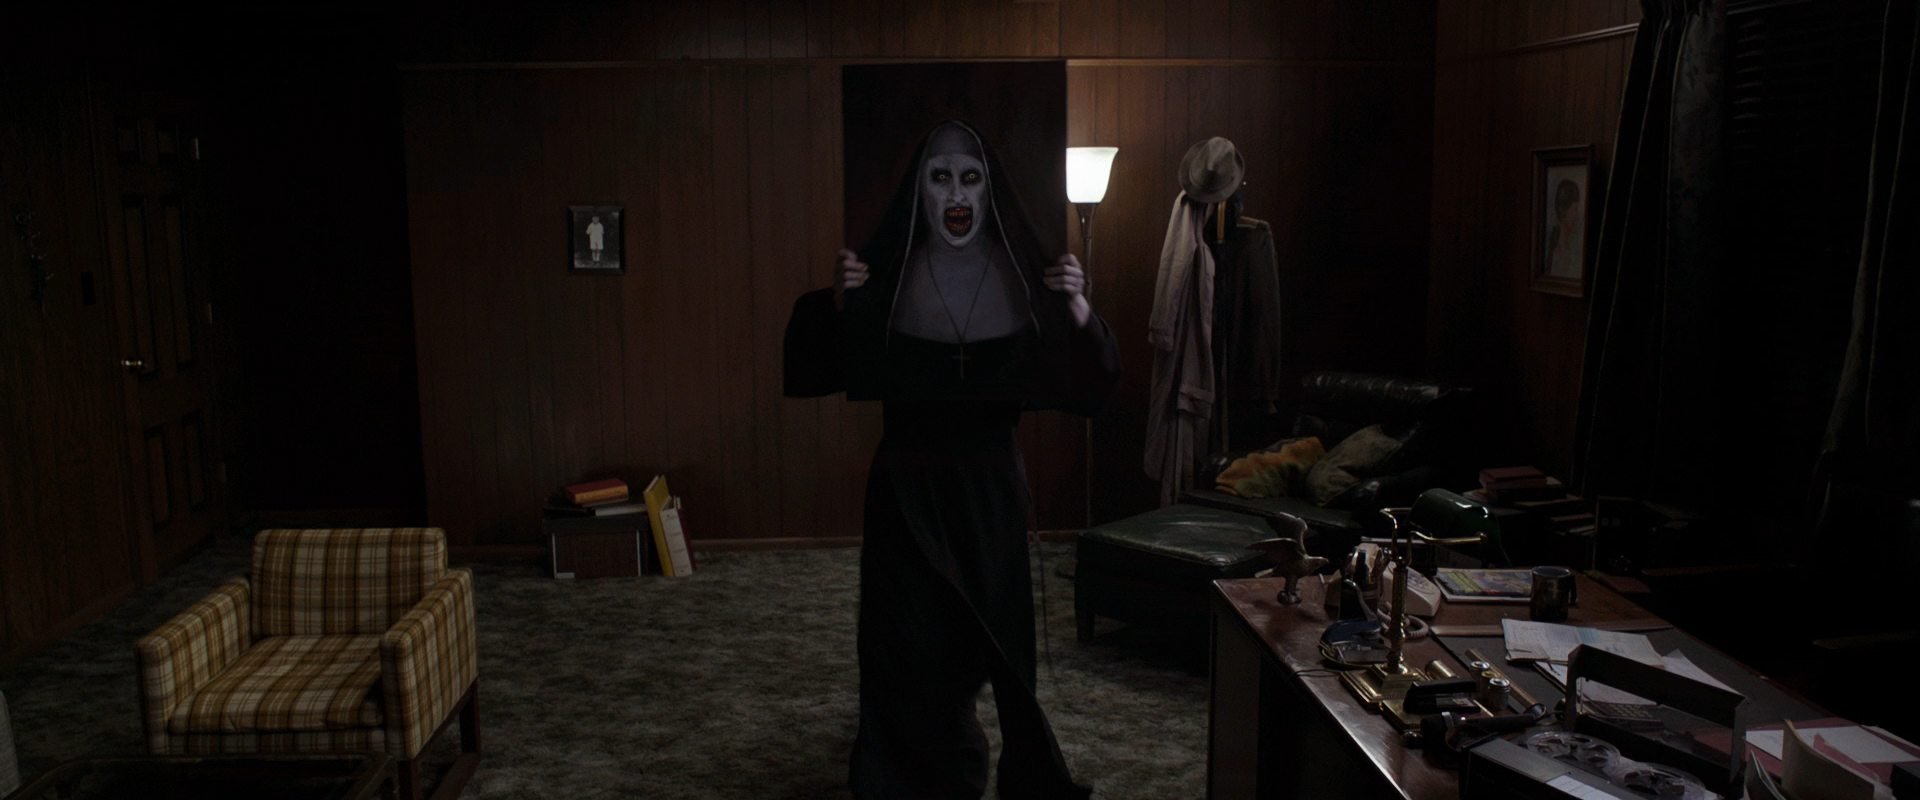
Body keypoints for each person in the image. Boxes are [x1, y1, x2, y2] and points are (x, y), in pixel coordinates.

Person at [783, 120, 1119, 799]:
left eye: (971, 177)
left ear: (990, 190)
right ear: (921, 192)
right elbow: (809, 371)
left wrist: (1078, 309)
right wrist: (840, 302)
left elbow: (1094, 390)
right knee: (905, 640)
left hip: (990, 488)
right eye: (941, 178)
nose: (957, 193)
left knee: (993, 641)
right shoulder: (886, 277)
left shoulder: (1026, 282)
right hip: (906, 488)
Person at [1546, 178, 1583, 278]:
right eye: (1574, 209)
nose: (1577, 215)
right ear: (1564, 211)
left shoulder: (1575, 244)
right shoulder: (1555, 248)